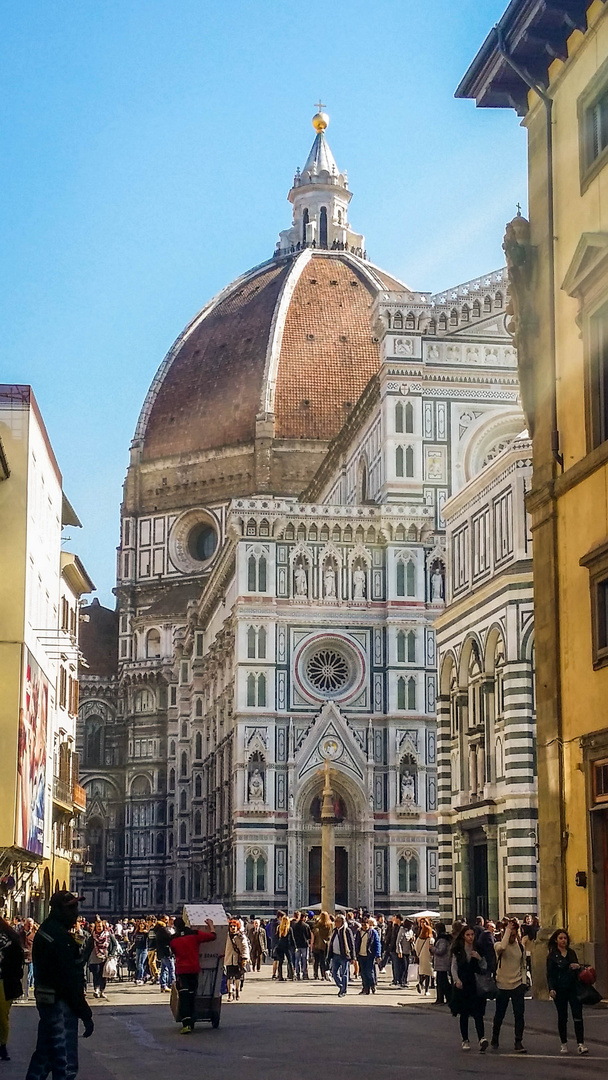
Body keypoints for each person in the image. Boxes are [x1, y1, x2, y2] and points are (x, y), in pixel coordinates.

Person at [25, 890, 94, 1080]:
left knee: (44, 1057)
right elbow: (68, 978)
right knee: (65, 1064)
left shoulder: (50, 931)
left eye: (76, 907)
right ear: (57, 910)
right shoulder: (57, 937)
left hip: (50, 1001)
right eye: (70, 908)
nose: (76, 913)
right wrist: (84, 1012)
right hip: (59, 1005)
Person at [170, 916, 215, 1034]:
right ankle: (192, 1019)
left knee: (184, 997)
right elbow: (213, 937)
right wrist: (211, 925)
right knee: (192, 995)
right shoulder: (194, 934)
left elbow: (174, 953)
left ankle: (187, 1024)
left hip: (182, 971)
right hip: (194, 969)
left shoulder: (173, 940)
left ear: (175, 927)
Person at [546, 929, 588, 1055]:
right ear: (556, 940)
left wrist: (578, 967)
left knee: (577, 1016)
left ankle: (580, 1043)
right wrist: (551, 988)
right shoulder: (552, 956)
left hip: (573, 988)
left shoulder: (571, 953)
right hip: (560, 989)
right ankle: (563, 1043)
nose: (563, 940)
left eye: (565, 938)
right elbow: (550, 974)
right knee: (562, 1017)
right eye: (561, 938)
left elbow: (578, 969)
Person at [490, 917, 528, 1053]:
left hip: (517, 984)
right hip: (502, 984)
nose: (512, 937)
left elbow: (523, 965)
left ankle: (518, 1041)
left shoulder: (520, 947)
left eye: (514, 934)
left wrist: (523, 982)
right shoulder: (498, 945)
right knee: (499, 1014)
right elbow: (503, 947)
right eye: (510, 934)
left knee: (519, 1014)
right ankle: (495, 1038)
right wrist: (507, 930)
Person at [450, 925, 489, 1053]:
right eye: (468, 935)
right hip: (462, 984)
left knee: (478, 1014)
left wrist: (479, 958)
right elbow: (454, 967)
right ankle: (465, 1039)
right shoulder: (458, 949)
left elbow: (485, 967)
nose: (470, 937)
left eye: (472, 934)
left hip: (475, 984)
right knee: (464, 1014)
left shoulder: (479, 948)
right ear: (463, 936)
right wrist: (456, 980)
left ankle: (481, 1038)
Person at [0, 914, 24, 1061]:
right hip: (7, 982)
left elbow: (17, 962)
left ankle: (2, 1045)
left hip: (4, 982)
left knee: (2, 1015)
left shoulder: (10, 940)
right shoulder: (12, 939)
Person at [85, 918, 117, 999]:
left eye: (100, 926)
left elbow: (114, 944)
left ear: (103, 927)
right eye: (98, 926)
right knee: (96, 973)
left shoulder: (108, 935)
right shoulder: (93, 935)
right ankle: (96, 989)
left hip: (105, 956)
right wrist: (85, 956)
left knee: (104, 975)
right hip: (95, 956)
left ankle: (102, 991)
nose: (99, 928)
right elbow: (88, 946)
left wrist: (111, 953)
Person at [327, 914, 354, 998]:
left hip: (344, 955)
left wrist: (353, 957)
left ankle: (343, 990)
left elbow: (351, 944)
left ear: (342, 922)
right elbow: (331, 943)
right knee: (334, 972)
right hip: (335, 955)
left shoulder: (346, 931)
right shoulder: (334, 931)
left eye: (338, 921)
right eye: (335, 921)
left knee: (344, 973)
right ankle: (341, 985)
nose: (336, 923)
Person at [355, 917, 381, 995]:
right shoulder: (359, 932)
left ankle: (372, 985)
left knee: (369, 971)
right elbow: (356, 943)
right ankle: (365, 988)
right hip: (361, 954)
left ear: (369, 924)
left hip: (370, 955)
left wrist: (378, 955)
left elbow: (377, 943)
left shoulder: (373, 932)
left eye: (366, 924)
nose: (364, 926)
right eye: (362, 925)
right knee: (363, 972)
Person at [430, 922, 451, 1005]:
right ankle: (440, 998)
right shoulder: (443, 938)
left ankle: (444, 998)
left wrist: (433, 948)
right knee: (440, 982)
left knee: (442, 982)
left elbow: (441, 950)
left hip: (442, 963)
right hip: (441, 963)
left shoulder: (442, 939)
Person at [154, 917, 175, 993]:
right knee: (171, 968)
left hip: (161, 952)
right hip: (166, 952)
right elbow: (170, 938)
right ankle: (172, 984)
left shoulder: (157, 932)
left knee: (164, 969)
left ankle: (163, 985)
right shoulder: (164, 931)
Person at [414, 919, 434, 995]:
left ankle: (420, 983)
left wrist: (418, 954)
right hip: (428, 958)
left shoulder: (419, 939)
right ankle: (426, 990)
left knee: (422, 973)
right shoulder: (430, 940)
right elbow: (432, 948)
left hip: (421, 957)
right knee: (428, 974)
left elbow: (416, 948)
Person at [274, 916, 296, 982]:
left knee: (280, 962)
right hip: (287, 946)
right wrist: (294, 946)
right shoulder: (289, 929)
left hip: (280, 946)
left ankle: (280, 976)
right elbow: (292, 939)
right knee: (290, 961)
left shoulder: (279, 928)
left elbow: (276, 937)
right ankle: (292, 975)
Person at [311, 912, 332, 980]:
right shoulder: (330, 925)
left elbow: (314, 927)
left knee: (316, 961)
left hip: (318, 944)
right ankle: (323, 974)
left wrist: (317, 920)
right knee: (323, 960)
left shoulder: (319, 924)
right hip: (325, 944)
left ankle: (316, 974)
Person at [291, 912, 311, 980]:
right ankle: (305, 974)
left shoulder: (294, 926)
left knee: (297, 960)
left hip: (297, 944)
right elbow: (309, 936)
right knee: (304, 959)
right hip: (304, 945)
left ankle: (297, 973)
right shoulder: (306, 926)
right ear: (304, 918)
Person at [133, 919, 149, 985]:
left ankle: (140, 978)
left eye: (143, 924)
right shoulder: (137, 932)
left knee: (141, 963)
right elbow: (135, 941)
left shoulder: (145, 933)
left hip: (144, 948)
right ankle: (146, 975)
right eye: (140, 924)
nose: (141, 925)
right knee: (137, 964)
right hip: (138, 948)